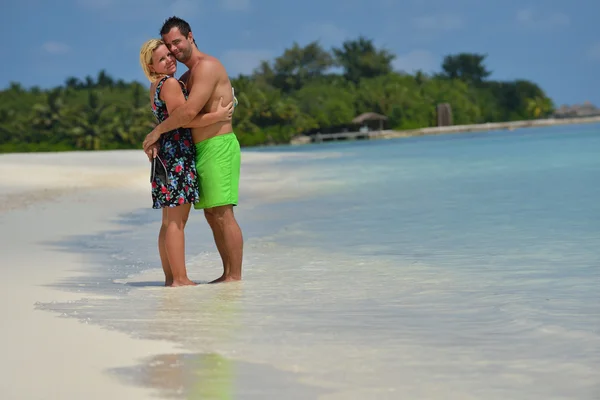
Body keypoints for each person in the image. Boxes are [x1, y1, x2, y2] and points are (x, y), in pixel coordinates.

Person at [142, 17, 244, 284]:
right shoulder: (183, 77)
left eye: (176, 43)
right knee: (212, 214)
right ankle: (226, 274)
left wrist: (156, 133)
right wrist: (159, 133)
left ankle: (234, 276)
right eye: (167, 47)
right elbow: (177, 114)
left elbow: (186, 113)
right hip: (196, 150)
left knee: (222, 212)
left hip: (218, 146)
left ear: (190, 37)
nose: (173, 50)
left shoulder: (208, 67)